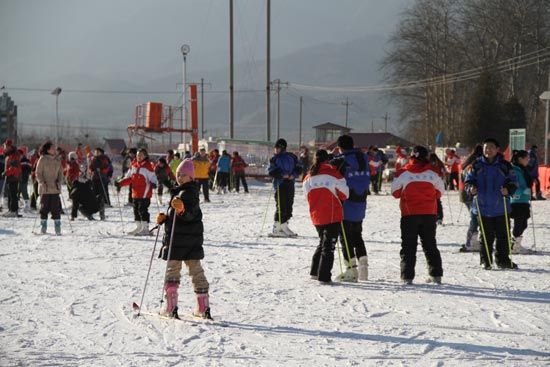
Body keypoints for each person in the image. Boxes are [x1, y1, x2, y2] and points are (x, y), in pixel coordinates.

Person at [155, 159, 212, 319]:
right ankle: (202, 306)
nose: (179, 177)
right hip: (189, 242)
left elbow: (190, 215)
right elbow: (177, 216)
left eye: (184, 175)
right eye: (178, 174)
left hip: (179, 242)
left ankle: (172, 306)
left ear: (191, 177)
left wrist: (181, 210)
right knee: (196, 272)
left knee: (173, 271)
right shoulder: (181, 191)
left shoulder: (189, 193)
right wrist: (165, 218)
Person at [391, 146, 445, 284]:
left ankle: (407, 277)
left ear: (411, 156)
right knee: (430, 244)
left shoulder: (403, 172)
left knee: (408, 246)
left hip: (409, 214)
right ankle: (436, 275)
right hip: (429, 213)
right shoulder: (433, 172)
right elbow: (440, 192)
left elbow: (395, 193)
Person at [465, 138, 519, 270]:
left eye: (491, 147)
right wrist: (471, 188)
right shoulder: (476, 165)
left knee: (503, 236)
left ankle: (503, 260)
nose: (488, 150)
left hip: (501, 207)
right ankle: (486, 260)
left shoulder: (505, 165)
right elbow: (468, 181)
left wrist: (508, 189)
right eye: (485, 147)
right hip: (482, 207)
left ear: (497, 149)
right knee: (485, 236)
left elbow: (514, 182)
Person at [303, 149, 349, 284]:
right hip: (332, 215)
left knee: (323, 243)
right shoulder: (334, 174)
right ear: (327, 160)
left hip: (316, 216)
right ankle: (323, 276)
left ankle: (314, 271)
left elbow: (306, 196)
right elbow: (345, 194)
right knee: (328, 246)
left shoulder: (308, 176)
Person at [331, 135, 371, 281]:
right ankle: (363, 265)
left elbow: (330, 168)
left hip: (346, 203)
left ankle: (351, 269)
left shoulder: (341, 160)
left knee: (345, 237)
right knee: (357, 234)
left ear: (339, 147)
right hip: (361, 202)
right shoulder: (363, 157)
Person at [116, 148, 158, 235]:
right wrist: (120, 183)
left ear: (145, 156)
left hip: (144, 193)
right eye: (138, 155)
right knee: (136, 210)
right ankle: (139, 227)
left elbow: (153, 177)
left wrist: (154, 183)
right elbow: (129, 178)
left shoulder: (148, 166)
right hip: (135, 192)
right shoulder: (134, 165)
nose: (139, 157)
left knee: (142, 209)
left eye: (141, 155)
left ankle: (145, 228)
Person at [268, 138, 302, 237]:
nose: (275, 150)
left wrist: (293, 175)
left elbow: (299, 167)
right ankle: (278, 228)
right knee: (281, 205)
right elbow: (270, 171)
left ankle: (283, 226)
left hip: (290, 183)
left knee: (289, 205)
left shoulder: (292, 156)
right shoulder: (274, 159)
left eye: (277, 148)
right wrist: (282, 175)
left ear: (282, 148)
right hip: (280, 184)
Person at [35, 142, 64, 235]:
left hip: (55, 188)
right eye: (52, 148)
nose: (54, 150)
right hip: (45, 188)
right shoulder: (42, 159)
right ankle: (43, 227)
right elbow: (38, 173)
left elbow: (61, 174)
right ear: (47, 150)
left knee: (56, 209)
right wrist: (41, 182)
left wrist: (59, 182)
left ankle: (57, 227)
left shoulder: (57, 160)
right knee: (44, 209)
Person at [459, 145, 483, 252]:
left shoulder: (468, 161)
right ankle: (471, 241)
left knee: (476, 218)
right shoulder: (474, 163)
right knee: (475, 218)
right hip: (470, 194)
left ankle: (472, 240)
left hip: (465, 193)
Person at [510, 150, 534, 254]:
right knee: (519, 223)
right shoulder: (514, 169)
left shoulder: (523, 169)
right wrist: (522, 191)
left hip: (524, 200)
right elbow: (512, 184)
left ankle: (515, 243)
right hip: (517, 200)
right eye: (526, 158)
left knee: (524, 223)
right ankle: (514, 246)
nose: (528, 160)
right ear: (520, 159)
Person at [89, 147, 112, 219]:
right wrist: (91, 171)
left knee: (101, 194)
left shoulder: (104, 159)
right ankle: (93, 210)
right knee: (94, 193)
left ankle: (102, 211)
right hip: (94, 177)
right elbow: (90, 167)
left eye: (97, 152)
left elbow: (107, 168)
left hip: (102, 178)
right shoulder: (93, 159)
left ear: (101, 152)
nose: (96, 153)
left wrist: (101, 171)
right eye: (95, 152)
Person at [2, 139, 22, 217]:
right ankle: (11, 210)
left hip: (14, 176)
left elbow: (14, 167)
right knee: (11, 193)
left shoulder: (14, 155)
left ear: (9, 146)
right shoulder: (9, 154)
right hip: (11, 176)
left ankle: (13, 210)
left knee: (13, 194)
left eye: (6, 146)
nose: (4, 147)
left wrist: (6, 172)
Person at [429, 153, 447, 226]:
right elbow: (444, 171)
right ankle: (439, 217)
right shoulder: (439, 163)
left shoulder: (428, 163)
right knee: (437, 201)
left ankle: (435, 217)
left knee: (434, 201)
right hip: (437, 184)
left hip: (431, 183)